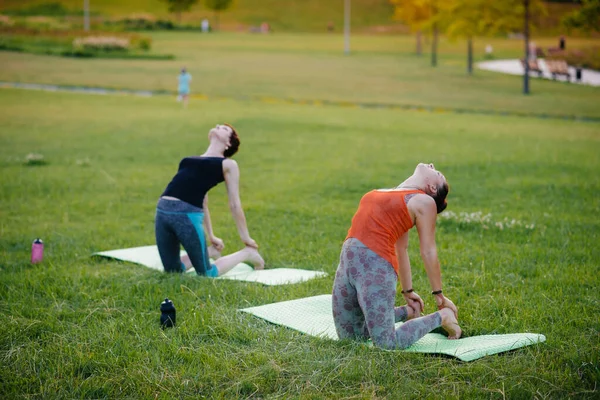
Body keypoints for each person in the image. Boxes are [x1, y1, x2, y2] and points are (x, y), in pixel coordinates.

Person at [332, 163, 461, 350]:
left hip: (376, 268)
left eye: (437, 172)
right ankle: (408, 312)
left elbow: (428, 251)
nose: (432, 165)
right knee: (349, 337)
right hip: (347, 265)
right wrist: (408, 292)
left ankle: (443, 317)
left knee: (386, 344)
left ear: (432, 188)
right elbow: (402, 250)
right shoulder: (395, 194)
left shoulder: (424, 202)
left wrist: (438, 295)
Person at [155, 124, 264, 277]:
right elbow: (204, 201)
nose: (218, 127)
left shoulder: (228, 164)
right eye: (218, 126)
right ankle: (211, 251)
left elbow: (234, 204)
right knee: (172, 271)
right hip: (162, 212)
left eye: (224, 129)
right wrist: (211, 236)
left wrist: (246, 238)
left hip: (187, 216)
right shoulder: (187, 160)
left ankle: (248, 253)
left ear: (229, 143)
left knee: (206, 273)